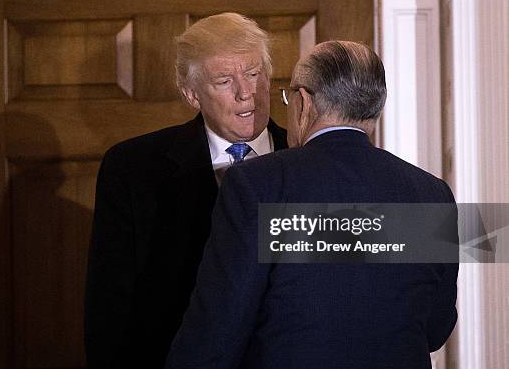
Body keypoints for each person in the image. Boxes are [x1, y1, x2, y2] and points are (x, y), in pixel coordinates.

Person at [165, 41, 459, 369]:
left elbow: (215, 334)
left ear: (304, 102)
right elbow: (435, 328)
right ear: (374, 108)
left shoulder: (258, 185)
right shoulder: (432, 194)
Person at [84, 12, 288, 368]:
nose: (246, 93)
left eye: (254, 74)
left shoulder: (309, 160)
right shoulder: (133, 168)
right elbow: (110, 304)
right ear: (192, 94)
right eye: (224, 81)